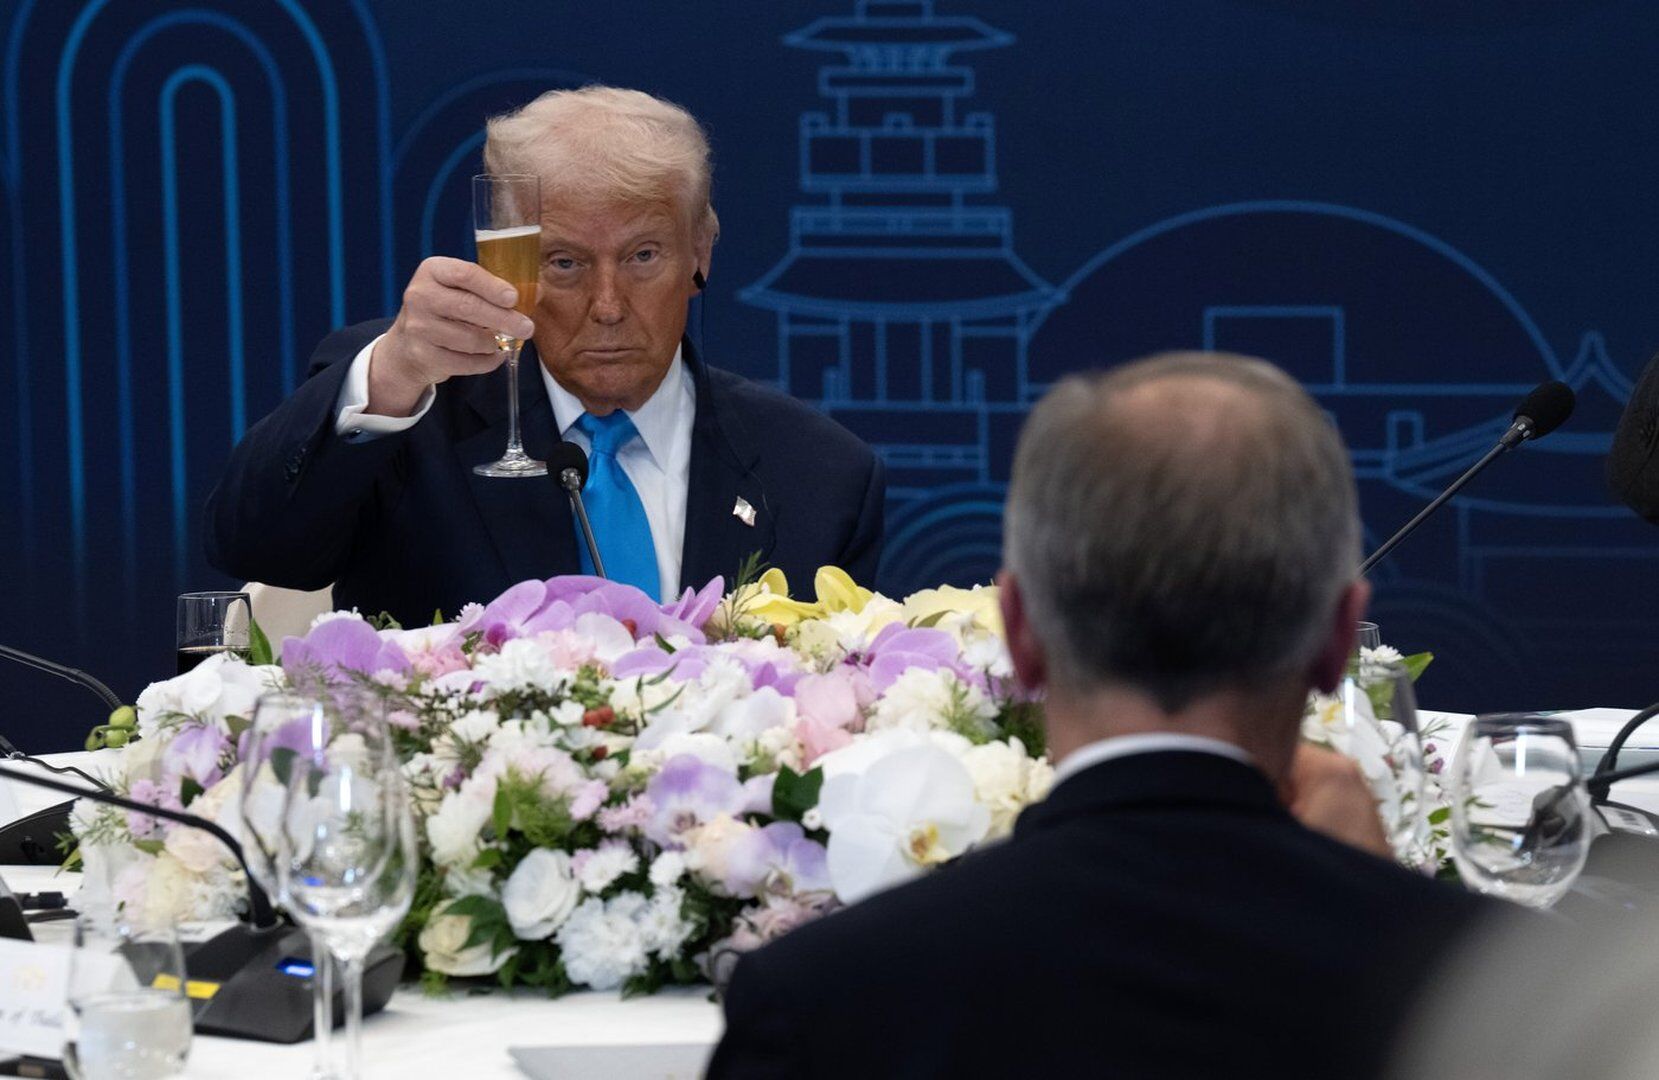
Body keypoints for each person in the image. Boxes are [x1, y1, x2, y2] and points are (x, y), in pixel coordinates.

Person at [707, 353, 1493, 1080]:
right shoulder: (1509, 997)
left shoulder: (822, 1002)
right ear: (1337, 642)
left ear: (1019, 634)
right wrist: (1401, 933)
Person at [205, 87, 884, 622]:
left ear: (699, 253)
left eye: (643, 256)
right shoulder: (411, 417)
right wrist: (393, 375)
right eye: (565, 263)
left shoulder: (819, 476)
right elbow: (255, 547)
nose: (608, 305)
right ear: (508, 260)